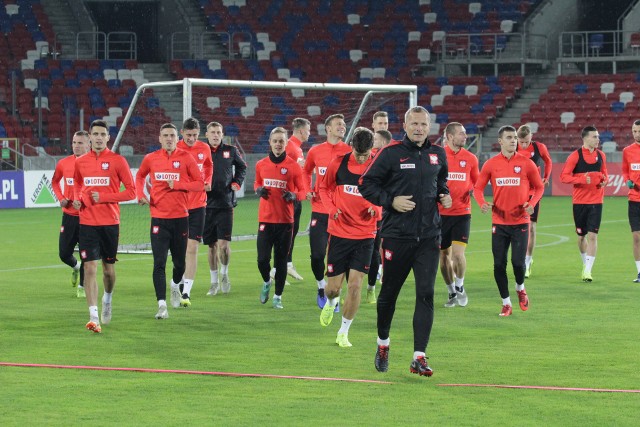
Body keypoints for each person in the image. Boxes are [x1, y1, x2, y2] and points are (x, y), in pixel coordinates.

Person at [360, 106, 451, 377]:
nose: (419, 128)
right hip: (397, 237)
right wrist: (390, 201)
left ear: (429, 126)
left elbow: (441, 181)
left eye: (424, 124)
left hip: (429, 237)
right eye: (414, 123)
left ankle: (419, 356)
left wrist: (444, 194)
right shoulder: (391, 154)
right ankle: (383, 344)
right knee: (389, 294)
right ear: (405, 124)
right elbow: (366, 184)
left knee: (426, 293)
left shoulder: (438, 154)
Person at [473, 125, 544, 317]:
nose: (514, 141)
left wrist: (532, 203)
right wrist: (482, 203)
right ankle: (506, 303)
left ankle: (520, 288)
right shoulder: (490, 164)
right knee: (498, 265)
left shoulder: (527, 163)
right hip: (499, 222)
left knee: (518, 264)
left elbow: (539, 187)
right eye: (510, 138)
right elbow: (478, 189)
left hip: (521, 221)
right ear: (500, 141)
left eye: (515, 138)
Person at [72, 119, 136, 333]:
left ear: (108, 137)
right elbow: (78, 185)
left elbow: (131, 191)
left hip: (110, 222)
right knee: (90, 267)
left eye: (102, 134)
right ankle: (93, 317)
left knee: (108, 271)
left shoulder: (118, 161)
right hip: (87, 222)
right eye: (95, 134)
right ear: (89, 137)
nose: (98, 138)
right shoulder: (80, 162)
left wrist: (104, 197)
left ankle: (107, 299)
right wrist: (79, 198)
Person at [136, 123, 204, 319]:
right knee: (159, 262)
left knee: (180, 264)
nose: (168, 139)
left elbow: (200, 184)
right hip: (158, 218)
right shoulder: (151, 158)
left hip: (181, 219)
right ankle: (161, 305)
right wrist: (140, 194)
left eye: (172, 136)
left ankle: (175, 285)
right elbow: (140, 176)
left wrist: (179, 185)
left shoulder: (186, 158)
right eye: (165, 135)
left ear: (177, 138)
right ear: (159, 138)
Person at [318, 127, 378, 347]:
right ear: (351, 146)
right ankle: (331, 301)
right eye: (358, 154)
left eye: (365, 154)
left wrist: (376, 208)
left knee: (354, 286)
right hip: (339, 233)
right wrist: (331, 208)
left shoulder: (378, 165)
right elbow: (323, 189)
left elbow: (387, 192)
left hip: (365, 235)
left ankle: (343, 332)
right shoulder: (338, 163)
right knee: (333, 288)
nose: (361, 158)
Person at [255, 127, 307, 309]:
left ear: (286, 144)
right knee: (262, 260)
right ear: (270, 142)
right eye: (275, 141)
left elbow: (303, 191)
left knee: (281, 260)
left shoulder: (293, 166)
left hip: (285, 221)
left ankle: (278, 296)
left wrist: (294, 196)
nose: (278, 144)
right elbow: (257, 182)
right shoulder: (261, 164)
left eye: (281, 141)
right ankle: (267, 282)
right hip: (266, 219)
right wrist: (258, 190)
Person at [303, 114, 351, 308]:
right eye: (338, 124)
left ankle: (335, 294)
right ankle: (321, 286)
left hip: (341, 213)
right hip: (320, 210)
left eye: (344, 124)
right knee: (317, 255)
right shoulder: (315, 151)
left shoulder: (349, 151)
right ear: (328, 129)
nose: (342, 127)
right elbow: (306, 171)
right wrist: (307, 190)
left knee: (337, 257)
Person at [202, 121, 247, 296]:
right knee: (211, 246)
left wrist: (236, 182)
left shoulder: (231, 150)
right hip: (205, 205)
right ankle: (213, 282)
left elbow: (242, 167)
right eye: (212, 132)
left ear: (222, 134)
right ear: (206, 134)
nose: (215, 135)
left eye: (218, 132)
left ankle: (225, 274)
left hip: (226, 204)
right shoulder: (201, 151)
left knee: (223, 246)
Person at [560, 125, 608, 282]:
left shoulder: (601, 155)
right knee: (581, 236)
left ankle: (588, 270)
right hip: (580, 202)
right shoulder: (575, 156)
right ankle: (585, 264)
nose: (597, 139)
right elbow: (564, 177)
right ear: (586, 138)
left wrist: (604, 181)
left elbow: (605, 175)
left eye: (598, 136)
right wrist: (580, 178)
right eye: (595, 136)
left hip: (596, 201)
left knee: (593, 235)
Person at [439, 122, 479, 308]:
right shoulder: (438, 156)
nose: (465, 137)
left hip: (462, 212)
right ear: (449, 136)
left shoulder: (470, 158)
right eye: (462, 134)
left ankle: (460, 285)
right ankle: (451, 291)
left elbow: (476, 183)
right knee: (443, 256)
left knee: (457, 255)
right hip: (439, 214)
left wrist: (470, 190)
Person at [176, 117, 213, 305]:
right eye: (188, 135)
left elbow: (208, 165)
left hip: (199, 205)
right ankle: (179, 281)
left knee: (192, 247)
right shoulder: (175, 149)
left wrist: (208, 181)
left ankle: (186, 292)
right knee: (180, 249)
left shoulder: (204, 148)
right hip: (179, 206)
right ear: (182, 133)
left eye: (194, 135)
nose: (191, 138)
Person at [52, 130, 90, 298]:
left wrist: (84, 201)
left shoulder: (92, 165)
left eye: (80, 143)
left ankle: (82, 286)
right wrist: (60, 197)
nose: (76, 146)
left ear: (88, 145)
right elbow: (54, 181)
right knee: (64, 253)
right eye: (74, 142)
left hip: (87, 217)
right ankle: (76, 267)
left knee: (85, 253)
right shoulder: (63, 163)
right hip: (68, 216)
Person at [516, 124, 552, 278]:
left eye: (526, 142)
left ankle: (527, 261)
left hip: (534, 192)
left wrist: (546, 178)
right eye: (521, 142)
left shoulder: (539, 147)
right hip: (518, 192)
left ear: (531, 137)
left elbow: (548, 162)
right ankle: (518, 259)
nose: (523, 145)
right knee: (517, 227)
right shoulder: (513, 147)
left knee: (531, 228)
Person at [365, 128, 394, 304]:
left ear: (382, 142)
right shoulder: (369, 159)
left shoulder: (389, 162)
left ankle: (371, 288)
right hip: (363, 211)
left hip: (382, 213)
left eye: (375, 139)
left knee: (376, 252)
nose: (372, 142)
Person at [283, 117, 311, 281]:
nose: (309, 133)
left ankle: (287, 265)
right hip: (288, 197)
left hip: (295, 196)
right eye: (307, 130)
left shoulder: (297, 148)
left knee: (292, 233)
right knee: (286, 234)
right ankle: (279, 268)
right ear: (301, 131)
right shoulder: (290, 147)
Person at [623, 119, 640, 282]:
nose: (636, 134)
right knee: (636, 237)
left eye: (639, 131)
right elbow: (624, 171)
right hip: (634, 200)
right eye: (634, 131)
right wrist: (627, 180)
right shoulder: (628, 151)